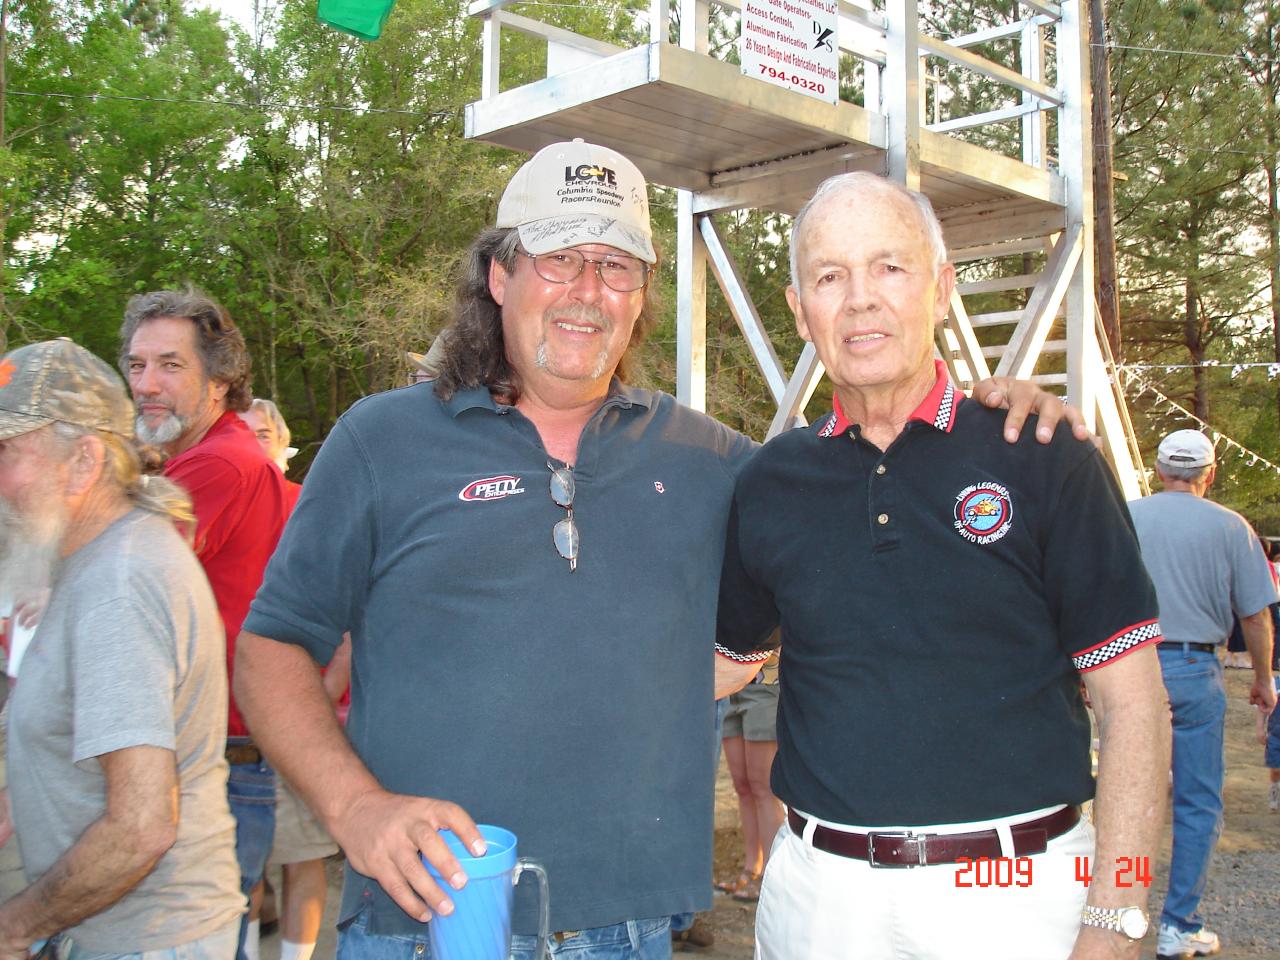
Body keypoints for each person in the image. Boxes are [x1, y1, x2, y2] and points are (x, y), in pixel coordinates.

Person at [232, 140, 1090, 960]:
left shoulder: (716, 463)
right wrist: (355, 809)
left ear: (641, 293)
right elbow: (271, 649)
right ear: (499, 274)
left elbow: (867, 471)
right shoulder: (381, 441)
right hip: (426, 919)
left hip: (630, 929)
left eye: (616, 266)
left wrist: (988, 416)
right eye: (559, 259)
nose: (587, 291)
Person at [714, 171, 1172, 960]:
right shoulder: (768, 482)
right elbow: (719, 666)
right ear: (799, 310)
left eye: (889, 267)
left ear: (941, 286)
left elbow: (1134, 707)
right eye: (830, 276)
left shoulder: (1044, 454)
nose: (860, 299)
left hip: (1016, 898)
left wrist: (1119, 914)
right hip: (819, 901)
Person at [0, 338, 242, 957]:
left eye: (6, 452)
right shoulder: (86, 560)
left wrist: (14, 926)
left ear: (83, 461)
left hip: (148, 941)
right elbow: (66, 753)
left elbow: (141, 826)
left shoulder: (118, 584)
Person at [120, 290, 290, 960]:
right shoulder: (209, 456)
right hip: (220, 756)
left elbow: (118, 585)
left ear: (219, 382)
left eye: (170, 365)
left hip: (210, 765)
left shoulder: (216, 463)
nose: (146, 385)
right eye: (137, 366)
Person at [1128, 429, 1277, 959]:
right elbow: (1255, 615)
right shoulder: (1231, 527)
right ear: (1210, 474)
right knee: (1198, 802)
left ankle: (1116, 910)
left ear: (1158, 469)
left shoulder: (1127, 516)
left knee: (1123, 796)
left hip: (1131, 668)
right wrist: (1263, 679)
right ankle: (1178, 924)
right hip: (1194, 667)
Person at [240, 397, 351, 960]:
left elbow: (350, 618)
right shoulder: (215, 503)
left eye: (262, 434)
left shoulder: (305, 503)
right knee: (242, 861)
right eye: (242, 434)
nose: (251, 445)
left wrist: (318, 701)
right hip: (237, 723)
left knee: (301, 854)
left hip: (303, 710)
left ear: (282, 443)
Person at [715, 651, 782, 903]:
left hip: (764, 684)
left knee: (762, 788)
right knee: (742, 787)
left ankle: (770, 878)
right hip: (728, 686)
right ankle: (751, 868)